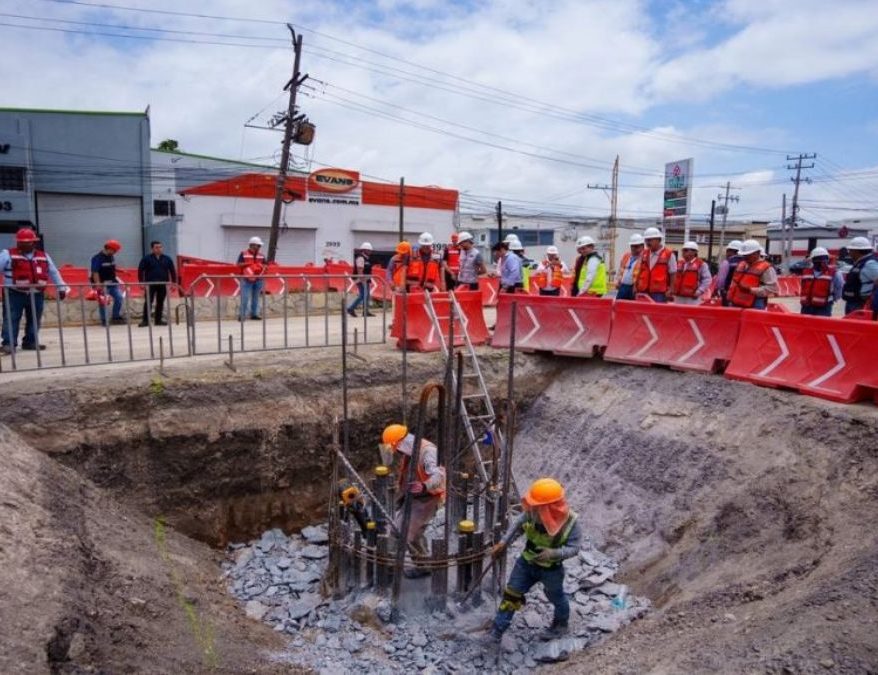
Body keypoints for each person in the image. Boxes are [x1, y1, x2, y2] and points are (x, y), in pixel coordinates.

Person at [487, 478, 581, 643]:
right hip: (527, 563)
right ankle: (497, 630)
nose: (532, 509)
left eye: (537, 507)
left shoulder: (570, 522)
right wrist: (503, 543)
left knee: (556, 596)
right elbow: (518, 525)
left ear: (548, 507)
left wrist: (554, 553)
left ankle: (560, 624)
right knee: (512, 594)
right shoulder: (532, 512)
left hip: (551, 569)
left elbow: (574, 548)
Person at [380, 424, 446, 578]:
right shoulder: (411, 450)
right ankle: (424, 566)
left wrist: (424, 486)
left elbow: (438, 475)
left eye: (396, 449)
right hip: (413, 496)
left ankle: (389, 572)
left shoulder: (428, 452)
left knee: (399, 531)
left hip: (427, 498)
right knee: (413, 533)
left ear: (400, 442)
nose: (397, 453)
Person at [1, 228, 68, 354]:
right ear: (18, 242)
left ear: (34, 242)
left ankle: (30, 342)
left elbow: (53, 272)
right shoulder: (7, 254)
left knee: (35, 319)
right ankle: (8, 344)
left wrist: (61, 288)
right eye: (22, 242)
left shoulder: (43, 256)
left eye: (29, 242)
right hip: (14, 293)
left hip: (37, 293)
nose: (26, 244)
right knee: (11, 318)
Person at [726, 239, 778, 309]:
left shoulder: (766, 268)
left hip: (755, 303)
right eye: (744, 255)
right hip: (736, 302)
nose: (745, 257)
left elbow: (772, 288)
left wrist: (751, 290)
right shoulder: (741, 265)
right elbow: (733, 283)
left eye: (748, 255)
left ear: (758, 253)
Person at [137, 240, 177, 327]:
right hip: (150, 284)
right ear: (152, 249)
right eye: (156, 247)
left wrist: (174, 283)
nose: (159, 249)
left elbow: (172, 271)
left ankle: (158, 320)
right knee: (148, 302)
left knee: (160, 302)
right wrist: (141, 283)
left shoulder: (167, 259)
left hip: (163, 284)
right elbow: (140, 271)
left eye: (160, 247)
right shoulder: (146, 259)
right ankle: (145, 321)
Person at [90, 239, 125, 326]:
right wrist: (97, 283)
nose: (115, 252)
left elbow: (111, 266)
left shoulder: (111, 256)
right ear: (109, 248)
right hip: (102, 284)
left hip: (113, 283)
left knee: (119, 298)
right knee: (103, 302)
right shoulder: (97, 258)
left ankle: (115, 317)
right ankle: (104, 320)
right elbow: (95, 271)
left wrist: (120, 270)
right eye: (114, 250)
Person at [800, 247, 844, 317]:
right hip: (807, 307)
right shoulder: (806, 272)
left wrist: (832, 299)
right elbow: (803, 286)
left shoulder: (834, 273)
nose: (822, 261)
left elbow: (839, 288)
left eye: (823, 259)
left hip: (823, 308)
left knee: (821, 326)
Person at [636, 227, 676, 302]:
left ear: (659, 240)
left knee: (656, 312)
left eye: (650, 240)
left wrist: (671, 289)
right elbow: (640, 271)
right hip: (643, 290)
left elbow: (673, 273)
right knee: (642, 312)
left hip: (659, 293)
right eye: (646, 240)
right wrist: (636, 286)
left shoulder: (669, 254)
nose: (648, 242)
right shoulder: (644, 253)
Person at [841, 237, 878, 315]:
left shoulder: (869, 263)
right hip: (854, 303)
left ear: (857, 251)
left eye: (851, 250)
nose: (849, 253)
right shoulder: (861, 262)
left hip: (860, 304)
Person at [237, 236, 266, 321]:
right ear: (252, 245)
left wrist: (260, 266)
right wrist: (249, 264)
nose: (259, 247)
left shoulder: (262, 255)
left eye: (260, 246)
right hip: (246, 279)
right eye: (258, 245)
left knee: (256, 297)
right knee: (245, 297)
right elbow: (239, 264)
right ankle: (242, 315)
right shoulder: (243, 253)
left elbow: (266, 265)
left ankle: (254, 314)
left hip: (258, 279)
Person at [347, 242, 375, 318]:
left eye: (370, 250)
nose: (370, 252)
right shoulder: (361, 258)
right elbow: (360, 270)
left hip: (365, 279)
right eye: (368, 250)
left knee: (366, 295)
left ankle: (365, 311)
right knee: (363, 295)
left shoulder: (366, 258)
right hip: (361, 280)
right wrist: (363, 281)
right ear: (364, 250)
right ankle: (350, 308)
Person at [615, 234, 644, 300]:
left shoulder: (644, 258)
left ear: (642, 246)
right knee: (619, 305)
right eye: (632, 246)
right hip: (623, 286)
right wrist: (618, 280)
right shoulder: (627, 256)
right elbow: (621, 269)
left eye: (636, 246)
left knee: (632, 307)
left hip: (634, 287)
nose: (633, 248)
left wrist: (636, 286)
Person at [716, 240, 743, 305]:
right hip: (743, 294)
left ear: (730, 251)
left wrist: (719, 289)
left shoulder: (727, 262)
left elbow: (721, 281)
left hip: (728, 292)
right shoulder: (747, 262)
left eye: (727, 251)